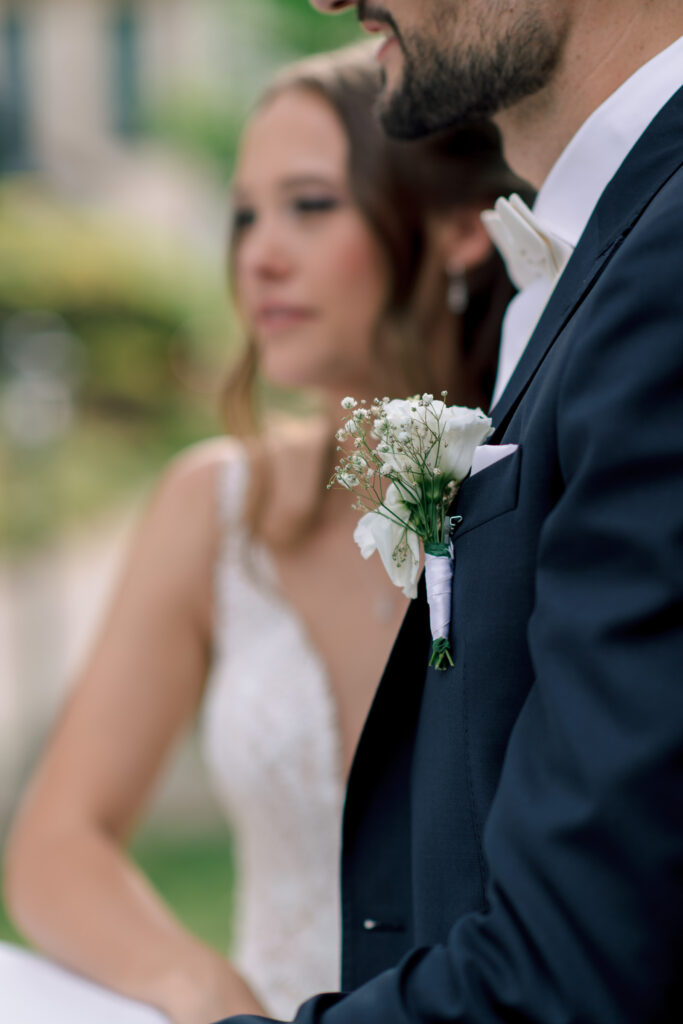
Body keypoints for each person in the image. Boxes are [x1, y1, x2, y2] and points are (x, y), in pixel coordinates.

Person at [2, 44, 524, 1024]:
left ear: (459, 230)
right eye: (244, 214)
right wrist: (203, 993)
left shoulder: (535, 489)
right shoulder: (217, 507)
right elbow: (57, 841)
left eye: (310, 205)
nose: (259, 253)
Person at [212, 1, 683, 1023]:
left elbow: (573, 968)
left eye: (309, 204)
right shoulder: (600, 261)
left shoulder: (667, 265)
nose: (330, 1)